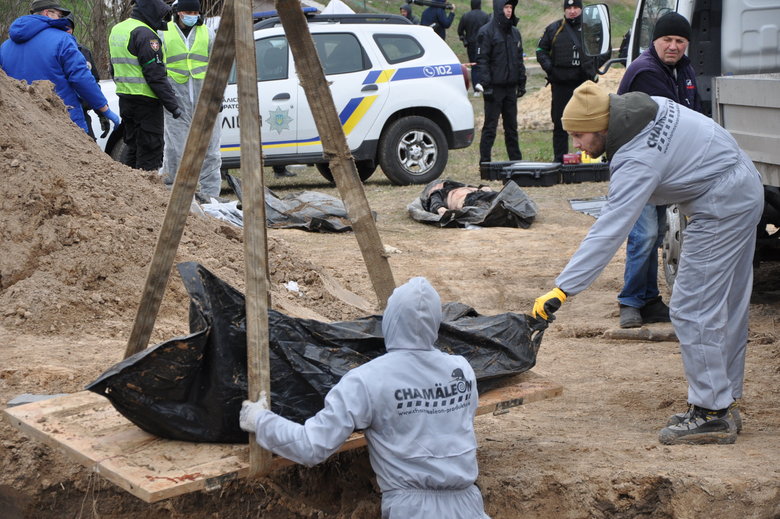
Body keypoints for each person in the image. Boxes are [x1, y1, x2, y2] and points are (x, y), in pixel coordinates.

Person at [531, 81, 763, 446]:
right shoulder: (647, 108)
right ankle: (724, 400)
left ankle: (711, 413)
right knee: (728, 304)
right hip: (742, 185)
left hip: (720, 206)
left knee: (691, 307)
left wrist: (564, 288)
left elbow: (609, 229)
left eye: (579, 134)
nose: (575, 143)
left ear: (602, 126)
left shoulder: (637, 157)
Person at [240, 277, 490, 519]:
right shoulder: (462, 370)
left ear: (391, 320)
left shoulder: (367, 380)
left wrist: (260, 420)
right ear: (436, 322)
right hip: (469, 505)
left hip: (413, 510)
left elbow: (311, 446)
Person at [615, 12, 703, 329]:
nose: (673, 46)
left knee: (655, 237)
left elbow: (696, 112)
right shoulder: (645, 72)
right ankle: (629, 302)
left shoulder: (684, 69)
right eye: (667, 39)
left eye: (680, 41)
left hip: (663, 168)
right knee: (644, 235)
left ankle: (649, 300)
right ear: (655, 41)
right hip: (636, 167)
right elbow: (674, 119)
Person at [0, 1, 120, 135]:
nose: (61, 19)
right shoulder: (63, 39)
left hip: (22, 123)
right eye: (59, 15)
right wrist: (104, 109)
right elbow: (81, 77)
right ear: (47, 13)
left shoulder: (5, 47)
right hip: (62, 122)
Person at [159, 0, 222, 200]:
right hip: (176, 99)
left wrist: (218, 95)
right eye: (188, 11)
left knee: (211, 151)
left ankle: (210, 198)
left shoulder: (207, 33)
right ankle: (174, 195)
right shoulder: (164, 33)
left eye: (195, 11)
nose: (192, 15)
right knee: (176, 149)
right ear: (177, 12)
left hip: (205, 99)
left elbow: (218, 67)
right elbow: (158, 67)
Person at [109, 0, 181, 171]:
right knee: (150, 150)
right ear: (152, 12)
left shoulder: (118, 29)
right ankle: (147, 194)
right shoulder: (146, 35)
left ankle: (129, 190)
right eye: (161, 15)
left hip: (125, 99)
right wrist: (173, 106)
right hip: (147, 102)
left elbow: (112, 67)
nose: (163, 20)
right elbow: (155, 75)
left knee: (132, 148)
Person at [535, 0, 609, 163]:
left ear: (581, 9)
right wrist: (551, 70)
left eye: (575, 7)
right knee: (560, 122)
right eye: (569, 8)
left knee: (589, 122)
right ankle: (559, 160)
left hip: (584, 84)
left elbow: (606, 50)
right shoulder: (554, 28)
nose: (572, 11)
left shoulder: (591, 28)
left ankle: (590, 157)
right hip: (561, 84)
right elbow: (541, 50)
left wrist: (592, 67)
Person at [475, 0, 526, 166]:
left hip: (510, 87)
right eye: (506, 7)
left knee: (512, 127)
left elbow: (519, 59)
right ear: (499, 8)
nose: (509, 11)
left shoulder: (515, 32)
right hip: (494, 88)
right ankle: (485, 162)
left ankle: (516, 162)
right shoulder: (486, 32)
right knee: (490, 127)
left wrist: (521, 81)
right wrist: (486, 85)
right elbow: (482, 60)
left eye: (511, 7)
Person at [63, 13, 111, 141]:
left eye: (68, 27)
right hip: (57, 114)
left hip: (82, 115)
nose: (66, 31)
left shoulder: (83, 52)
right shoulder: (49, 50)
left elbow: (92, 84)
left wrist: (102, 114)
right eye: (62, 27)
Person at [457, 0, 489, 95]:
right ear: (480, 5)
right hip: (483, 44)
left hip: (471, 44)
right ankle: (483, 85)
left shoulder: (466, 16)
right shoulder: (485, 16)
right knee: (483, 65)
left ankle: (476, 90)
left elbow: (460, 31)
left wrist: (464, 39)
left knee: (474, 66)